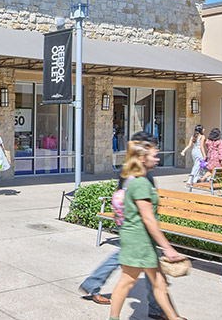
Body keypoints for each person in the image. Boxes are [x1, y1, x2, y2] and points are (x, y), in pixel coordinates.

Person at [79, 132, 172, 318]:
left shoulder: (130, 171)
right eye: (154, 147)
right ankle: (158, 309)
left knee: (141, 275)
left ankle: (157, 308)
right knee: (136, 273)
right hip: (137, 232)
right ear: (143, 151)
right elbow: (146, 215)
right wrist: (167, 246)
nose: (157, 151)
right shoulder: (140, 178)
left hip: (131, 228)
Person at [109, 141, 187, 320]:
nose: (157, 159)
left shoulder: (134, 180)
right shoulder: (141, 183)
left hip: (139, 239)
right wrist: (167, 247)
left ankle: (172, 317)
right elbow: (148, 218)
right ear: (143, 159)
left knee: (158, 283)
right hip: (139, 240)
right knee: (128, 281)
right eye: (154, 156)